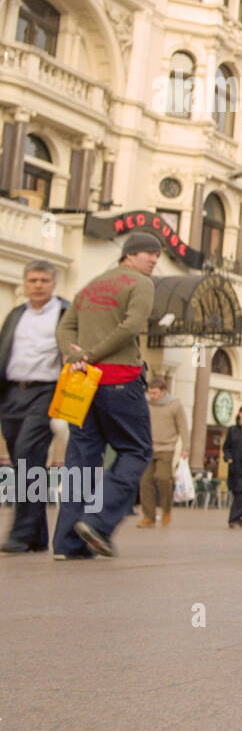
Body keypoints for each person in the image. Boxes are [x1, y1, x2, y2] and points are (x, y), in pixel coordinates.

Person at [52, 231, 160, 559]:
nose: (154, 259)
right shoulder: (140, 283)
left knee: (81, 458)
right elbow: (131, 327)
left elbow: (63, 327)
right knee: (136, 450)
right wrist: (94, 354)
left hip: (82, 384)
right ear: (129, 255)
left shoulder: (90, 286)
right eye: (147, 253)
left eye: (157, 255)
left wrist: (75, 356)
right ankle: (98, 522)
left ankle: (67, 545)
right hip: (119, 380)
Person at [0, 259, 68, 554]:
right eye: (32, 280)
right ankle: (37, 534)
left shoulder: (65, 313)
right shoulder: (17, 314)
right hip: (13, 392)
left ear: (53, 283)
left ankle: (21, 533)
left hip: (47, 392)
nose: (38, 285)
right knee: (22, 461)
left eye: (43, 280)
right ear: (25, 284)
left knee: (28, 453)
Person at [139, 375, 188, 528]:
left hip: (166, 448)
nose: (152, 396)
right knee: (144, 481)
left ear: (163, 391)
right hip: (148, 447)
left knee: (162, 478)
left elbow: (183, 427)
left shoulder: (175, 405)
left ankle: (166, 509)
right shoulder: (146, 404)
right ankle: (149, 517)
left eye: (155, 393)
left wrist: (186, 448)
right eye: (150, 392)